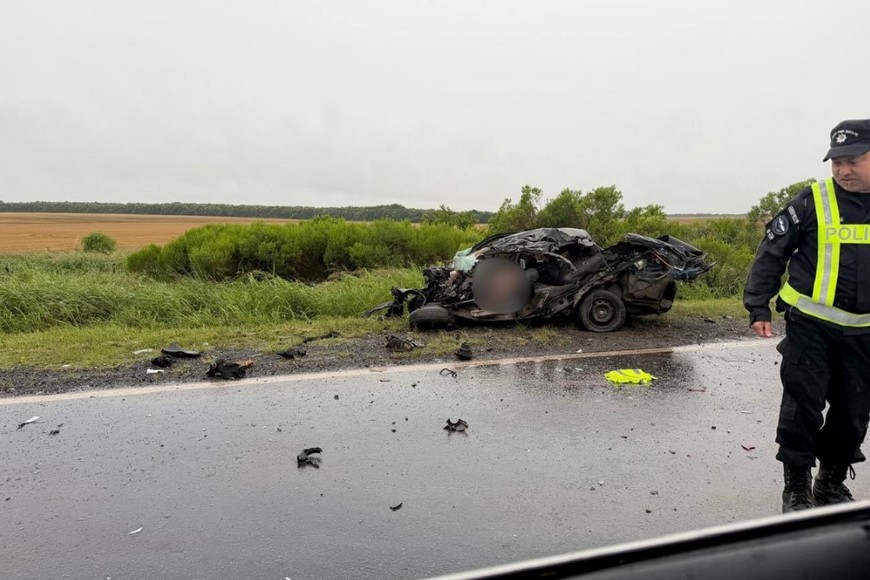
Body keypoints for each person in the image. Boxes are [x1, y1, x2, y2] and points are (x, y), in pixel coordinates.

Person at [744, 118, 870, 513]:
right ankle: (796, 488)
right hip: (810, 326)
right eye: (836, 162)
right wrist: (758, 305)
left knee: (854, 413)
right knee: (802, 407)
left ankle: (830, 482)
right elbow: (772, 251)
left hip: (865, 335)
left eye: (853, 161)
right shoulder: (813, 199)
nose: (842, 170)